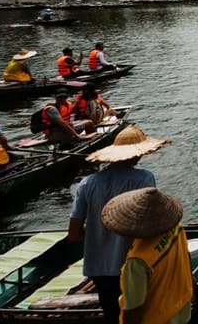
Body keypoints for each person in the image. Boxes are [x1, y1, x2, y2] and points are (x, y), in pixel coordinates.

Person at [70, 127, 169, 324]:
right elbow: (150, 223)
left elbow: (73, 233)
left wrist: (98, 236)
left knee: (112, 315)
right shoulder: (144, 178)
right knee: (139, 314)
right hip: (132, 264)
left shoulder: (87, 183)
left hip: (98, 268)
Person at [101, 188, 194, 324]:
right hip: (182, 312)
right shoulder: (174, 227)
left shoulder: (137, 261)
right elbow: (186, 255)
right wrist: (192, 283)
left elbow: (134, 309)